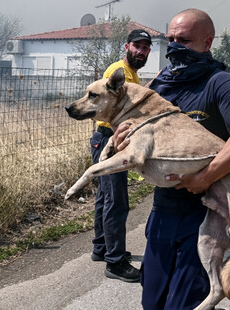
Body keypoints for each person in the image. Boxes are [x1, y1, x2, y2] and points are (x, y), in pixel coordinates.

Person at [113, 9, 230, 309]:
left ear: (207, 43)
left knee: (183, 304)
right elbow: (133, 126)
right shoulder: (162, 82)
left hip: (204, 215)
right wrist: (121, 139)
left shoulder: (219, 82)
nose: (174, 46)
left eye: (183, 40)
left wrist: (206, 177)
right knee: (152, 301)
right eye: (171, 39)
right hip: (162, 212)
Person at [90, 29, 152, 283]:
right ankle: (115, 263)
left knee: (105, 197)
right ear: (127, 47)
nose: (141, 51)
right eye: (137, 46)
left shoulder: (133, 74)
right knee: (117, 202)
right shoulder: (118, 72)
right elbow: (115, 110)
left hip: (106, 139)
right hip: (109, 140)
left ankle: (101, 248)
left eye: (146, 48)